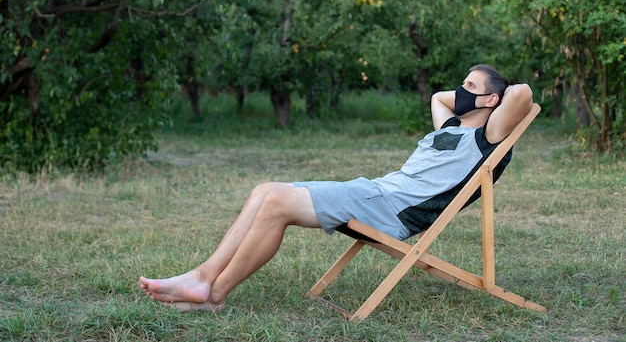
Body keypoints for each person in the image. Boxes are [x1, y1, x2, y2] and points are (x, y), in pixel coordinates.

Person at [139, 64, 533, 312]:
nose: (458, 91)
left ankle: (213, 292)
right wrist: (471, 93)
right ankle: (202, 278)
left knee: (276, 202)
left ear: (492, 100)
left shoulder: (489, 136)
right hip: (376, 191)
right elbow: (437, 97)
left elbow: (522, 94)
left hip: (392, 211)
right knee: (263, 189)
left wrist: (490, 96)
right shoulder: (449, 126)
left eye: (468, 85)